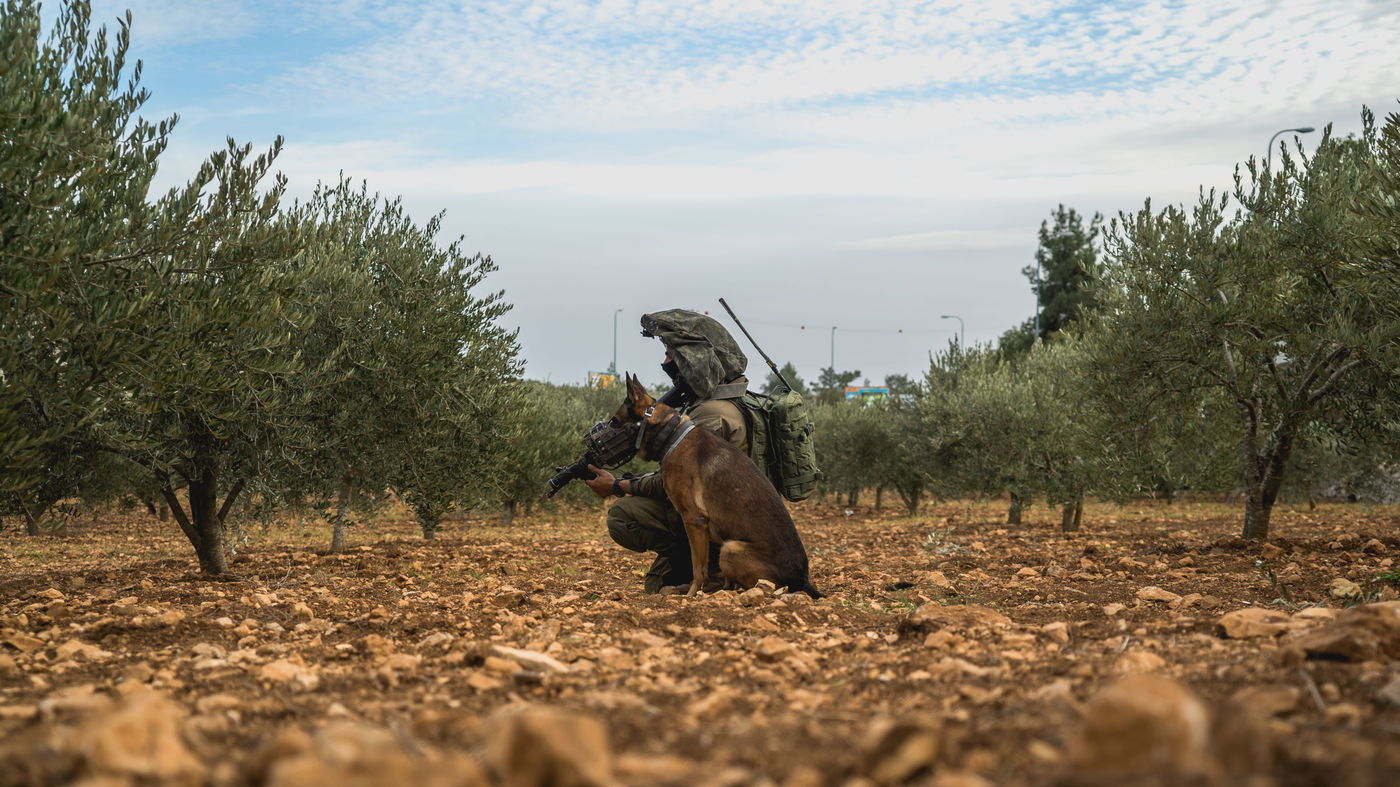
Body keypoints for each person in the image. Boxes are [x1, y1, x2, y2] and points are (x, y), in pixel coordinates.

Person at [584, 309, 751, 593]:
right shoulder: (712, 403)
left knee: (623, 515)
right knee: (655, 586)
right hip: (721, 513)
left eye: (671, 356)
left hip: (718, 521)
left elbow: (677, 483)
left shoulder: (711, 414)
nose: (665, 363)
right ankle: (692, 560)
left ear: (696, 361)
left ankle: (710, 571)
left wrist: (618, 485)